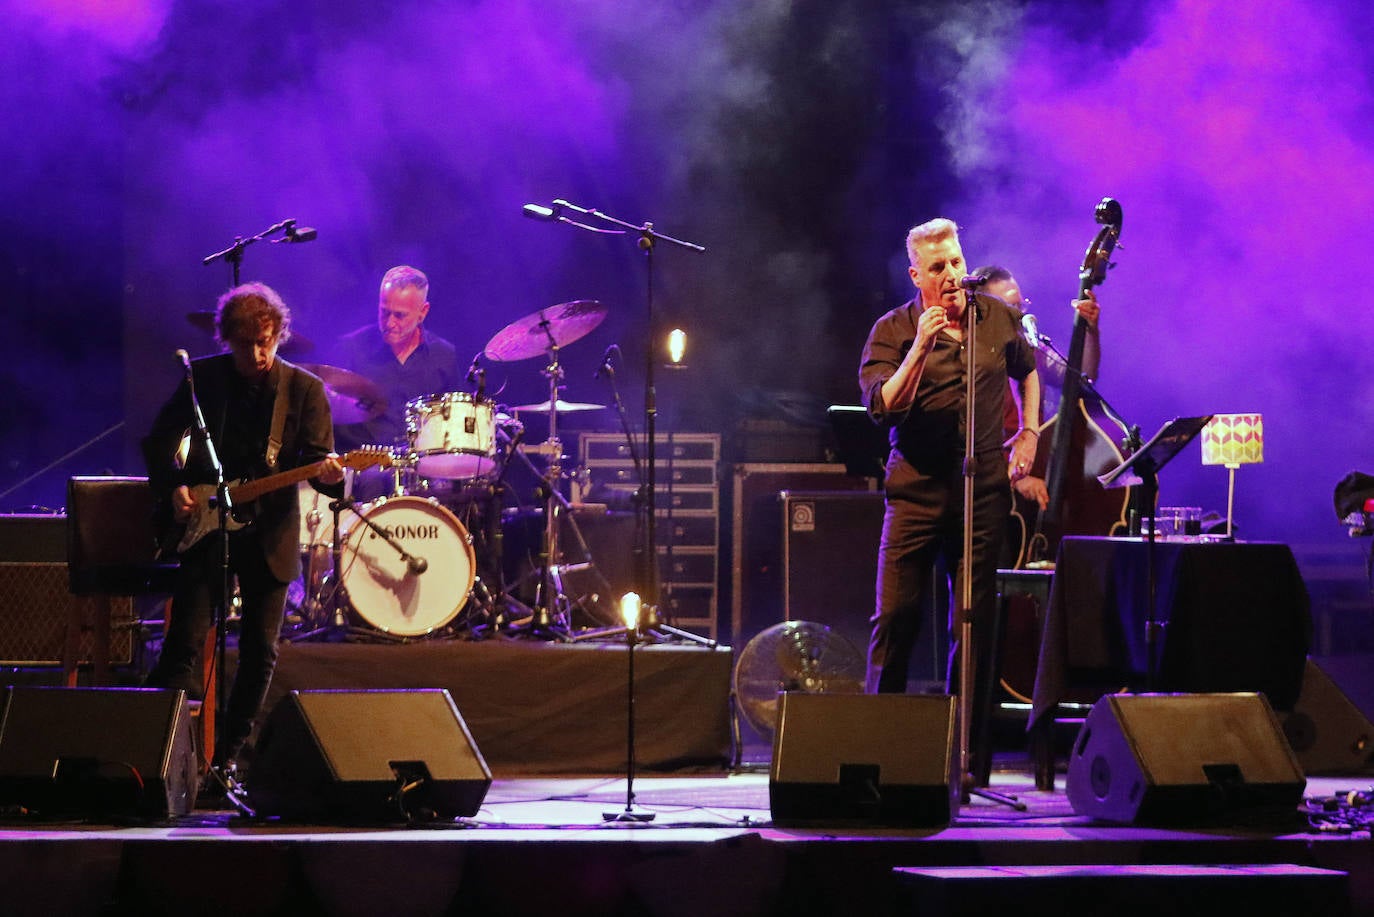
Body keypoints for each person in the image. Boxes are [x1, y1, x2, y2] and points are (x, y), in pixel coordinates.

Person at [858, 218, 1039, 780]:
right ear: (918, 276)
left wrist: (1029, 431)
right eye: (938, 268)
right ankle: (878, 756)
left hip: (981, 490)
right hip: (915, 492)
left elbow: (1028, 368)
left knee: (975, 622)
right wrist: (919, 349)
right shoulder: (893, 330)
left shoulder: (996, 318)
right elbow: (881, 405)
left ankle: (967, 762)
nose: (953, 275)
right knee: (896, 616)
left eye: (957, 262)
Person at [143, 282, 344, 772]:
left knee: (260, 651)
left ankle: (225, 761)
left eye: (266, 342)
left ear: (278, 335)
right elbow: (158, 442)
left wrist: (332, 476)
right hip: (207, 529)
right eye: (245, 344)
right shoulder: (203, 380)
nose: (257, 354)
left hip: (270, 532)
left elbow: (320, 465)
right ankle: (155, 758)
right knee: (183, 643)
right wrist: (175, 487)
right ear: (227, 340)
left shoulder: (304, 390)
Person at [974, 264, 1103, 514]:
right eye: (1011, 309)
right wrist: (1014, 478)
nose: (1020, 315)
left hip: (1032, 473)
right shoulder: (971, 358)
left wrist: (1090, 331)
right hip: (986, 487)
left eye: (1021, 306)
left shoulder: (1031, 350)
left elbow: (1082, 380)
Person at [334, 265, 464, 468]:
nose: (389, 323)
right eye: (384, 312)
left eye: (400, 315)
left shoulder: (444, 356)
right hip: (364, 467)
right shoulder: (351, 349)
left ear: (423, 312)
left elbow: (455, 424)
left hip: (423, 468)